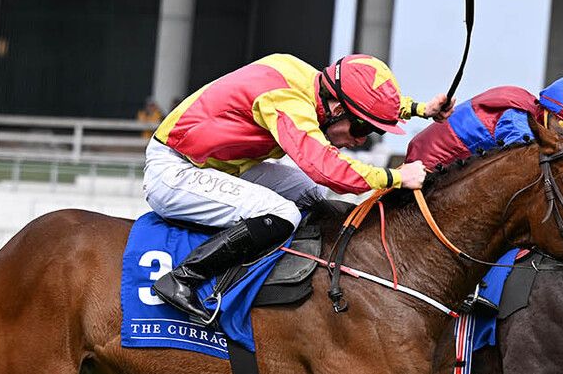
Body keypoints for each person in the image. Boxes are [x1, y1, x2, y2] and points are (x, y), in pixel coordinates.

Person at [145, 53, 453, 319]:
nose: (361, 140)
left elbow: (367, 101)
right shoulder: (286, 101)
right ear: (336, 109)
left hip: (222, 165)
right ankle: (183, 278)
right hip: (175, 171)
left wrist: (419, 109)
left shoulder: (313, 83)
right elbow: (327, 169)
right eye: (361, 128)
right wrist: (396, 177)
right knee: (283, 214)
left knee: (310, 195)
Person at [405, 75, 563, 194]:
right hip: (425, 175)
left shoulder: (531, 109)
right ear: (553, 115)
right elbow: (538, 169)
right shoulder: (517, 122)